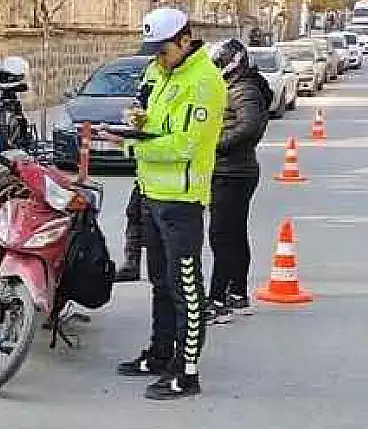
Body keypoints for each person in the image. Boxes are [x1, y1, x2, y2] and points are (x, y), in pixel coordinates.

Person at [99, 6, 227, 400]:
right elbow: (154, 122)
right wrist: (136, 121)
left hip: (182, 200)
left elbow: (187, 144)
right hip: (152, 194)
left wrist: (131, 144)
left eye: (164, 48)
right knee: (159, 281)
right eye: (153, 49)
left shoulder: (205, 82)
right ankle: (158, 354)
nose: (158, 56)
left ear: (186, 40)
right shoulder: (158, 71)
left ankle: (185, 372)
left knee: (184, 286)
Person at [205, 38, 273, 325]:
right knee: (233, 233)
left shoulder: (244, 88)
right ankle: (238, 293)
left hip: (233, 171)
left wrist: (212, 144)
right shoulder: (234, 86)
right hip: (232, 170)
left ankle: (218, 299)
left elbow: (249, 128)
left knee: (222, 236)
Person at [114, 61, 163, 283]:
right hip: (147, 171)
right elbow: (143, 101)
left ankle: (162, 271)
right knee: (134, 213)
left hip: (165, 171)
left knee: (158, 226)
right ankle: (132, 264)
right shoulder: (154, 68)